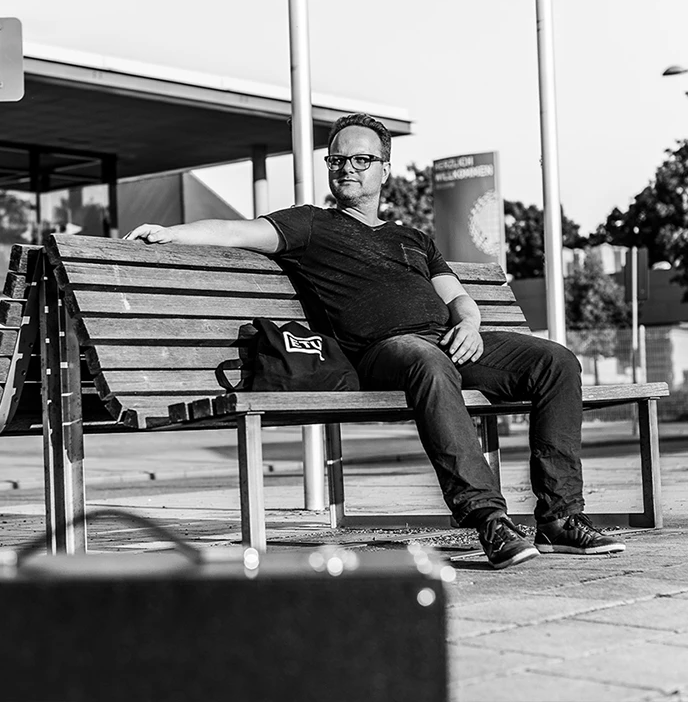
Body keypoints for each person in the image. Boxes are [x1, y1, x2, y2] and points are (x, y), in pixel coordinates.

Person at [124, 112, 625, 569]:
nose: (348, 168)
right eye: (338, 160)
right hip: (385, 353)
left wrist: (469, 325)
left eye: (361, 160)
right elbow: (237, 231)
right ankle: (488, 519)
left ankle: (560, 518)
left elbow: (459, 299)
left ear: (384, 169)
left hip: (448, 343)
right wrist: (171, 232)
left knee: (556, 361)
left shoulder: (413, 238)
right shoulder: (311, 225)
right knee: (428, 362)